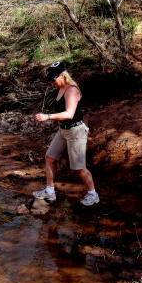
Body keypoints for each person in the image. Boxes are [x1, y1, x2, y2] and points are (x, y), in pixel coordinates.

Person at [33, 61, 99, 206]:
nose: (51, 82)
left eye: (53, 79)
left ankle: (93, 194)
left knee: (79, 167)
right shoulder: (62, 87)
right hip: (63, 129)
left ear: (62, 75)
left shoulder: (72, 89)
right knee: (50, 157)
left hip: (75, 131)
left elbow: (69, 114)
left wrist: (48, 116)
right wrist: (55, 119)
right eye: (49, 80)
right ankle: (49, 192)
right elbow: (63, 111)